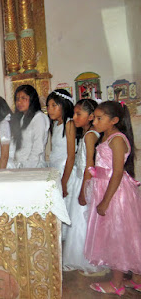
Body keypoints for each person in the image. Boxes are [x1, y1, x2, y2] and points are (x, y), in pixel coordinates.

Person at [85, 101, 141, 296]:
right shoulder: (105, 136)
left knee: (118, 236)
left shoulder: (117, 139)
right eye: (94, 117)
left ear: (114, 120)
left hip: (116, 194)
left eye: (99, 118)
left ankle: (117, 283)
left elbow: (117, 172)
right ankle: (136, 279)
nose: (94, 121)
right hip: (106, 188)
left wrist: (105, 201)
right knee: (123, 235)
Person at [63, 99, 106, 275]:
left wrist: (83, 191)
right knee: (82, 222)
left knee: (82, 222)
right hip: (82, 180)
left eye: (78, 114)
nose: (74, 117)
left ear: (90, 116)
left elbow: (90, 165)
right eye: (74, 113)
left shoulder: (90, 136)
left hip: (85, 182)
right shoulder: (89, 133)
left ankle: (84, 258)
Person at [47, 89, 76, 215]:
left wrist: (64, 182)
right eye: (48, 106)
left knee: (67, 207)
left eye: (54, 105)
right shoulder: (55, 124)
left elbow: (71, 156)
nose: (50, 109)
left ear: (64, 105)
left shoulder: (69, 124)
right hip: (56, 169)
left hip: (66, 171)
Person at [9, 85, 49, 168]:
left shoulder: (39, 117)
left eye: (23, 98)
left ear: (32, 99)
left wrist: (28, 167)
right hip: (19, 165)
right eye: (17, 99)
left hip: (34, 166)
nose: (19, 102)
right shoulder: (21, 118)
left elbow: (38, 147)